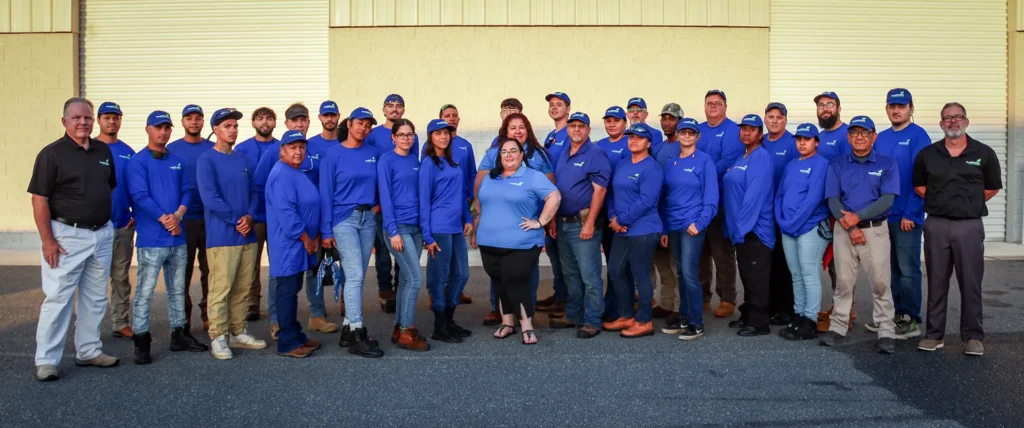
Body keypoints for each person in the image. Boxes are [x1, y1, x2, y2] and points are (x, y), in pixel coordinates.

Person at [29, 98, 120, 381]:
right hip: (66, 236)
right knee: (58, 298)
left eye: (87, 118)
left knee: (95, 298)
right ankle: (46, 360)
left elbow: (108, 186)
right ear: (64, 121)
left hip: (101, 234)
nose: (83, 123)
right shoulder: (51, 154)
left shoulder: (102, 150)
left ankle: (89, 350)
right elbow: (39, 199)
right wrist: (47, 240)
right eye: (77, 118)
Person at [913, 102, 1001, 357]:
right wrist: (944, 202)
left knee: (971, 282)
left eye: (957, 117)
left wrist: (967, 203)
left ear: (966, 121)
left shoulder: (984, 153)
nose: (953, 121)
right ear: (941, 124)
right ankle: (934, 335)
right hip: (937, 225)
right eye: (947, 118)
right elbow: (919, 186)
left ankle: (973, 336)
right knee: (937, 281)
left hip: (969, 227)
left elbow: (991, 188)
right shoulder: (927, 155)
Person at [125, 111, 208, 364]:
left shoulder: (178, 161)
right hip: (152, 240)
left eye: (166, 128)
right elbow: (139, 196)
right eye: (158, 128)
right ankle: (142, 340)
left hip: (177, 237)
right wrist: (166, 219)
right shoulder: (138, 162)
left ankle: (179, 334)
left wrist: (178, 217)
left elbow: (187, 192)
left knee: (177, 290)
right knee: (145, 291)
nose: (163, 132)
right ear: (148, 129)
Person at [819, 115, 898, 354]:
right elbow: (833, 199)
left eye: (864, 132)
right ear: (848, 137)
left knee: (881, 282)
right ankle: (838, 325)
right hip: (844, 231)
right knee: (843, 282)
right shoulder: (837, 164)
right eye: (854, 133)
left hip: (875, 231)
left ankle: (886, 329)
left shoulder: (887, 164)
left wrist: (858, 217)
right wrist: (851, 226)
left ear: (874, 136)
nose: (859, 137)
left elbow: (888, 199)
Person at [473, 137, 561, 345]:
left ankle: (527, 326)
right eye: (504, 152)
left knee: (517, 283)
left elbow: (554, 197)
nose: (509, 155)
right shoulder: (491, 178)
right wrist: (477, 226)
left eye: (514, 151)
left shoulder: (533, 176)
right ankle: (507, 323)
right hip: (489, 242)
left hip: (521, 244)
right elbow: (481, 203)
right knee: (500, 282)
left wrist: (540, 222)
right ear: (499, 156)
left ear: (522, 155)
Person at [196, 108, 268, 360]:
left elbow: (255, 193)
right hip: (222, 237)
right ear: (216, 130)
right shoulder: (207, 159)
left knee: (243, 287)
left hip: (246, 235)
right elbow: (210, 197)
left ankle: (238, 332)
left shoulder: (243, 160)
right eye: (227, 126)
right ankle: (218, 336)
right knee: (221, 288)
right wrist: (235, 220)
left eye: (236, 126)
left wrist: (249, 216)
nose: (233, 130)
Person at [320, 107, 385, 358]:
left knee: (355, 275)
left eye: (368, 125)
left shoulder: (373, 153)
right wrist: (325, 230)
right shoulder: (333, 154)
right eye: (359, 123)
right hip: (343, 219)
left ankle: (347, 328)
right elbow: (326, 193)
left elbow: (381, 182)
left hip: (367, 218)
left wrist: (378, 201)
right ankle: (358, 330)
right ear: (349, 124)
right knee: (356, 274)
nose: (364, 128)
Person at [873, 88, 931, 339]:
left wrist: (912, 213)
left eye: (901, 106)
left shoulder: (919, 136)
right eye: (892, 106)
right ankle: (893, 317)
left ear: (911, 108)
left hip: (906, 216)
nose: (896, 110)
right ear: (886, 108)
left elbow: (922, 180)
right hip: (884, 216)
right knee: (890, 268)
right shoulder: (882, 138)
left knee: (908, 269)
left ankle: (910, 319)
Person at [549, 112, 611, 339]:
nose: (576, 129)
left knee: (589, 275)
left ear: (588, 129)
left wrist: (590, 223)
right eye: (572, 125)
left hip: (582, 223)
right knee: (571, 274)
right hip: (563, 222)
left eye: (581, 126)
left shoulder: (595, 154)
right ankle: (574, 314)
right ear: (567, 129)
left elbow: (600, 190)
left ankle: (593, 320)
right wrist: (554, 220)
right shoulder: (565, 152)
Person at [603, 124, 664, 338]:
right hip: (620, 228)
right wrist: (612, 217)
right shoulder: (621, 164)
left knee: (640, 274)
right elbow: (610, 192)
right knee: (615, 270)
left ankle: (644, 320)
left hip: (644, 229)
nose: (633, 141)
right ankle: (626, 316)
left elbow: (646, 201)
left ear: (648, 143)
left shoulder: (652, 168)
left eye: (639, 138)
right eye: (631, 137)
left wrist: (622, 219)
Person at [266, 130, 323, 358]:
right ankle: (287, 342)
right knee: (287, 291)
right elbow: (287, 213)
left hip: (301, 245)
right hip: (289, 244)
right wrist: (307, 238)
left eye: (301, 147)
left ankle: (295, 334)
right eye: (292, 147)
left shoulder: (296, 171)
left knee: (293, 289)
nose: (298, 152)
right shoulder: (281, 174)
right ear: (282, 150)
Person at [659, 118, 717, 340]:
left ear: (697, 137)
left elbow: (711, 198)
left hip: (692, 226)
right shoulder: (672, 162)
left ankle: (696, 322)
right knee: (681, 273)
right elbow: (665, 198)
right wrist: (664, 228)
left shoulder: (705, 161)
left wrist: (699, 223)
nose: (686, 136)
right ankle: (683, 317)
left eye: (691, 133)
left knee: (690, 273)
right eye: (683, 132)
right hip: (673, 226)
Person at [774, 123, 830, 341]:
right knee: (795, 275)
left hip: (809, 227)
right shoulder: (791, 165)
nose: (802, 143)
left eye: (807, 139)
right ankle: (798, 315)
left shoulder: (821, 164)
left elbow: (813, 198)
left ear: (816, 141)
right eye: (799, 139)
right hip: (788, 228)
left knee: (809, 275)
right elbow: (780, 195)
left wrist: (793, 223)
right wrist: (782, 221)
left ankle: (810, 319)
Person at [420, 119, 473, 344]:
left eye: (447, 133)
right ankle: (439, 326)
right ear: (431, 137)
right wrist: (427, 235)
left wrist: (467, 217)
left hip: (455, 226)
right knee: (440, 277)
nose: (443, 137)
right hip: (439, 227)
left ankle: (449, 320)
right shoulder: (429, 165)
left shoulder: (453, 162)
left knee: (462, 274)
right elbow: (423, 200)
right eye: (438, 133)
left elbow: (460, 194)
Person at [722, 114, 775, 337]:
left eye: (752, 129)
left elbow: (753, 198)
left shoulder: (760, 158)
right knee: (747, 275)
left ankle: (759, 322)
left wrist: (741, 229)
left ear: (760, 134)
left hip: (754, 230)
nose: (746, 132)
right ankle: (747, 314)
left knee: (757, 278)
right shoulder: (742, 156)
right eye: (743, 128)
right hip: (740, 230)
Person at [378, 119, 429, 351]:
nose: (407, 139)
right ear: (393, 137)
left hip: (416, 227)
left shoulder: (416, 161)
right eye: (402, 135)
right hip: (397, 228)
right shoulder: (386, 160)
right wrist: (392, 230)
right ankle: (407, 330)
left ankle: (400, 326)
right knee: (416, 278)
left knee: (407, 279)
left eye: (410, 135)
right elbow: (385, 197)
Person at [167, 104, 214, 332]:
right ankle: (182, 318)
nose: (194, 122)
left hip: (209, 219)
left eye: (198, 118)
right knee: (182, 271)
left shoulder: (212, 148)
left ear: (203, 122)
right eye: (189, 118)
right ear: (183, 122)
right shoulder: (172, 149)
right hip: (183, 220)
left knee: (210, 270)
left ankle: (208, 314)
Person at [697, 89, 742, 318]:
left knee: (721, 251)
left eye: (718, 103)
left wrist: (698, 174)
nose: (713, 106)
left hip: (722, 201)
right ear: (704, 107)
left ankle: (727, 297)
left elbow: (727, 162)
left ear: (725, 106)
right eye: (709, 103)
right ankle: (703, 296)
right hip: (697, 202)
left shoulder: (733, 131)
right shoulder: (699, 129)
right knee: (701, 252)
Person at [95, 101, 137, 340]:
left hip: (122, 225)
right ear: (99, 120)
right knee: (93, 279)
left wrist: (136, 216)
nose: (112, 121)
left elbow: (135, 187)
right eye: (107, 117)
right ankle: (88, 326)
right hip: (95, 228)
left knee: (120, 277)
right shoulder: (89, 148)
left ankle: (120, 321)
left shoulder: (127, 152)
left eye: (116, 117)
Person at [235, 107, 279, 323]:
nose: (265, 122)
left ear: (275, 123)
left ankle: (277, 302)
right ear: (253, 123)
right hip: (253, 214)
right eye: (260, 119)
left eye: (269, 119)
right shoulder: (242, 149)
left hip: (277, 215)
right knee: (250, 262)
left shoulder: (283, 147)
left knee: (278, 260)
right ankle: (252, 303)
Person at [812, 91, 851, 331]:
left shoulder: (847, 135)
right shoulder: (819, 136)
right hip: (821, 209)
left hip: (841, 209)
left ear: (838, 107)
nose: (825, 109)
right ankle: (843, 305)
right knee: (830, 261)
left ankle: (845, 308)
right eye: (821, 105)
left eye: (830, 104)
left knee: (841, 262)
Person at [432, 104, 477, 305]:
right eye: (446, 116)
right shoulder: (431, 154)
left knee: (458, 256)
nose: (451, 118)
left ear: (458, 120)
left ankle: (454, 291)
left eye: (454, 116)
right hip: (441, 212)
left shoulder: (465, 146)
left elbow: (471, 175)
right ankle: (437, 294)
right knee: (442, 256)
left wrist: (470, 199)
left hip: (461, 205)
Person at [536, 92, 571, 317]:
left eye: (559, 105)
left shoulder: (570, 134)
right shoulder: (551, 136)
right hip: (549, 201)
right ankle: (560, 294)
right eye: (551, 105)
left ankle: (567, 299)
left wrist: (554, 214)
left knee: (565, 254)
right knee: (555, 253)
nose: (554, 108)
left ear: (568, 108)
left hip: (563, 203)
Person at [762, 102, 797, 327]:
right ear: (765, 119)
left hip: (785, 211)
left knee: (786, 263)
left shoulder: (793, 143)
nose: (774, 120)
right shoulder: (760, 142)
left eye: (779, 117)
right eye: (771, 116)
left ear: (785, 120)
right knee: (769, 262)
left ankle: (788, 308)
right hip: (764, 211)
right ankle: (771, 306)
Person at [595, 106, 630, 321]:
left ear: (625, 123)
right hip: (604, 210)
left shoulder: (631, 142)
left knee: (622, 264)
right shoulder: (599, 146)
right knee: (611, 261)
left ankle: (621, 307)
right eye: (608, 120)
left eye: (616, 120)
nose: (612, 124)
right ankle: (611, 304)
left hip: (624, 213)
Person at [650, 102, 683, 323]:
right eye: (664, 118)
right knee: (662, 264)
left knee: (677, 265)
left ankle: (681, 308)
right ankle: (666, 303)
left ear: (680, 121)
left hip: (677, 214)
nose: (667, 122)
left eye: (672, 118)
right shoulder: (659, 148)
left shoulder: (685, 147)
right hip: (657, 213)